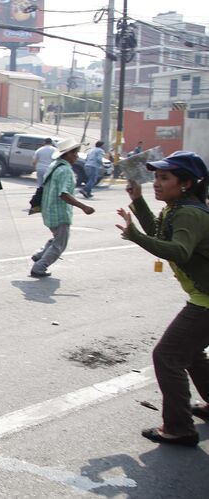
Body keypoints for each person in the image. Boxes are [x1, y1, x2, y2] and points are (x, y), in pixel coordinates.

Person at [115, 151, 209, 448]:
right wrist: (138, 200)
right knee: (190, 354)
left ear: (185, 183)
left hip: (206, 301)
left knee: (167, 356)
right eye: (155, 176)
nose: (156, 182)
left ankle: (179, 428)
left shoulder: (189, 213)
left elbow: (178, 250)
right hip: (203, 295)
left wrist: (134, 236)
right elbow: (160, 233)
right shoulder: (178, 207)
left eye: (164, 177)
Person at [30, 138, 95, 278]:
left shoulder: (54, 165)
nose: (77, 156)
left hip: (48, 211)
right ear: (66, 154)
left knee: (57, 238)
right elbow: (64, 194)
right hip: (59, 213)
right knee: (60, 244)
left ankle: (39, 255)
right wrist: (84, 207)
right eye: (74, 153)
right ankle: (39, 267)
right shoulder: (66, 170)